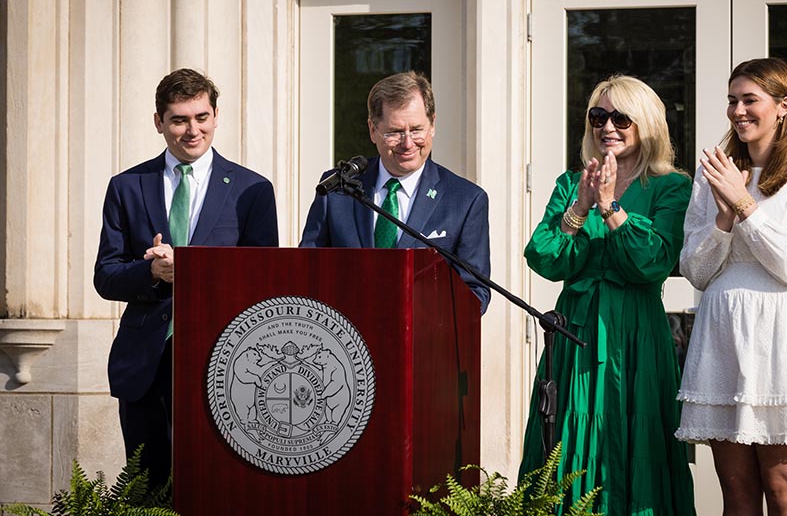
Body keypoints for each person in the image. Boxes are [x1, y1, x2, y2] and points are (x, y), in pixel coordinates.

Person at [676, 57, 787, 515]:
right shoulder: (714, 172)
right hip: (721, 336)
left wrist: (744, 203)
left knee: (782, 487)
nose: (737, 111)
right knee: (735, 490)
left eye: (750, 100)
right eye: (732, 101)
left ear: (783, 106)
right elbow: (696, 269)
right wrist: (724, 220)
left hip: (782, 338)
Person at [519, 75, 696, 515]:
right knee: (568, 438)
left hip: (636, 334)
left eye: (621, 118)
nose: (607, 127)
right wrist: (579, 207)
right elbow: (545, 259)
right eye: (598, 117)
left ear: (648, 124)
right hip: (577, 333)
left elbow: (652, 261)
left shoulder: (670, 187)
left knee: (636, 441)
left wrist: (610, 207)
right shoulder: (569, 183)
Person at [94, 68, 279, 487]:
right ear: (159, 122)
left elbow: (263, 281)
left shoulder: (252, 189)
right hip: (146, 365)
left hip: (226, 362)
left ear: (216, 117)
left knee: (217, 488)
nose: (192, 130)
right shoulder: (127, 186)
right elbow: (106, 276)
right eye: (179, 119)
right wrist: (152, 272)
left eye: (201, 117)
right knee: (148, 489)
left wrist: (192, 271)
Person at [300, 71, 491, 314]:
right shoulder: (338, 189)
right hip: (345, 342)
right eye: (395, 132)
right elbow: (306, 273)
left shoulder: (465, 200)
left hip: (424, 344)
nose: (408, 143)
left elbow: (475, 294)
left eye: (417, 129)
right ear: (372, 130)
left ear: (433, 125)